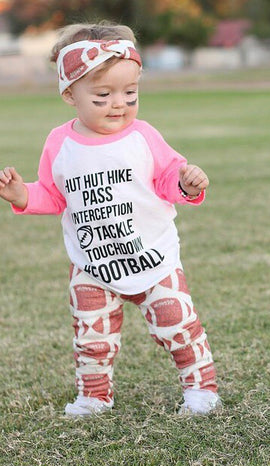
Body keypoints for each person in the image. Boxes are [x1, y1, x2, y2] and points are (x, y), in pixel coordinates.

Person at [0, 22, 220, 417]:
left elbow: (170, 177)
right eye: (102, 96)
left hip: (151, 258)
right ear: (70, 94)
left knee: (177, 326)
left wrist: (187, 184)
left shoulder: (143, 135)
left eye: (130, 93)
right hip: (92, 264)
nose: (119, 104)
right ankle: (94, 396)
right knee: (92, 337)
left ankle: (201, 389)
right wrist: (21, 194)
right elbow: (53, 194)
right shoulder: (59, 143)